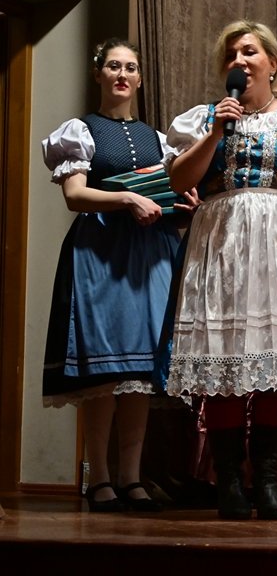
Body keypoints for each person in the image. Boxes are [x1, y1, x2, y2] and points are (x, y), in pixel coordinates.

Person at [164, 20, 277, 520]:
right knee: (224, 359)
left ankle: (266, 481)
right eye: (231, 55)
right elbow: (179, 179)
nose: (239, 61)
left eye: (249, 51)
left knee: (276, 363)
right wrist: (215, 132)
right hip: (221, 245)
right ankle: (229, 482)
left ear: (273, 62)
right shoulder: (204, 119)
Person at [41, 37, 197, 512]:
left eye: (130, 67)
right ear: (99, 74)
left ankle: (131, 477)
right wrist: (128, 198)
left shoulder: (159, 140)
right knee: (104, 370)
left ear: (140, 78)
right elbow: (75, 195)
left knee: (140, 372)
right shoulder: (81, 130)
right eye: (113, 66)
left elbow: (167, 196)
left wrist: (181, 205)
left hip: (151, 253)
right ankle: (100, 478)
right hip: (101, 249)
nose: (122, 74)